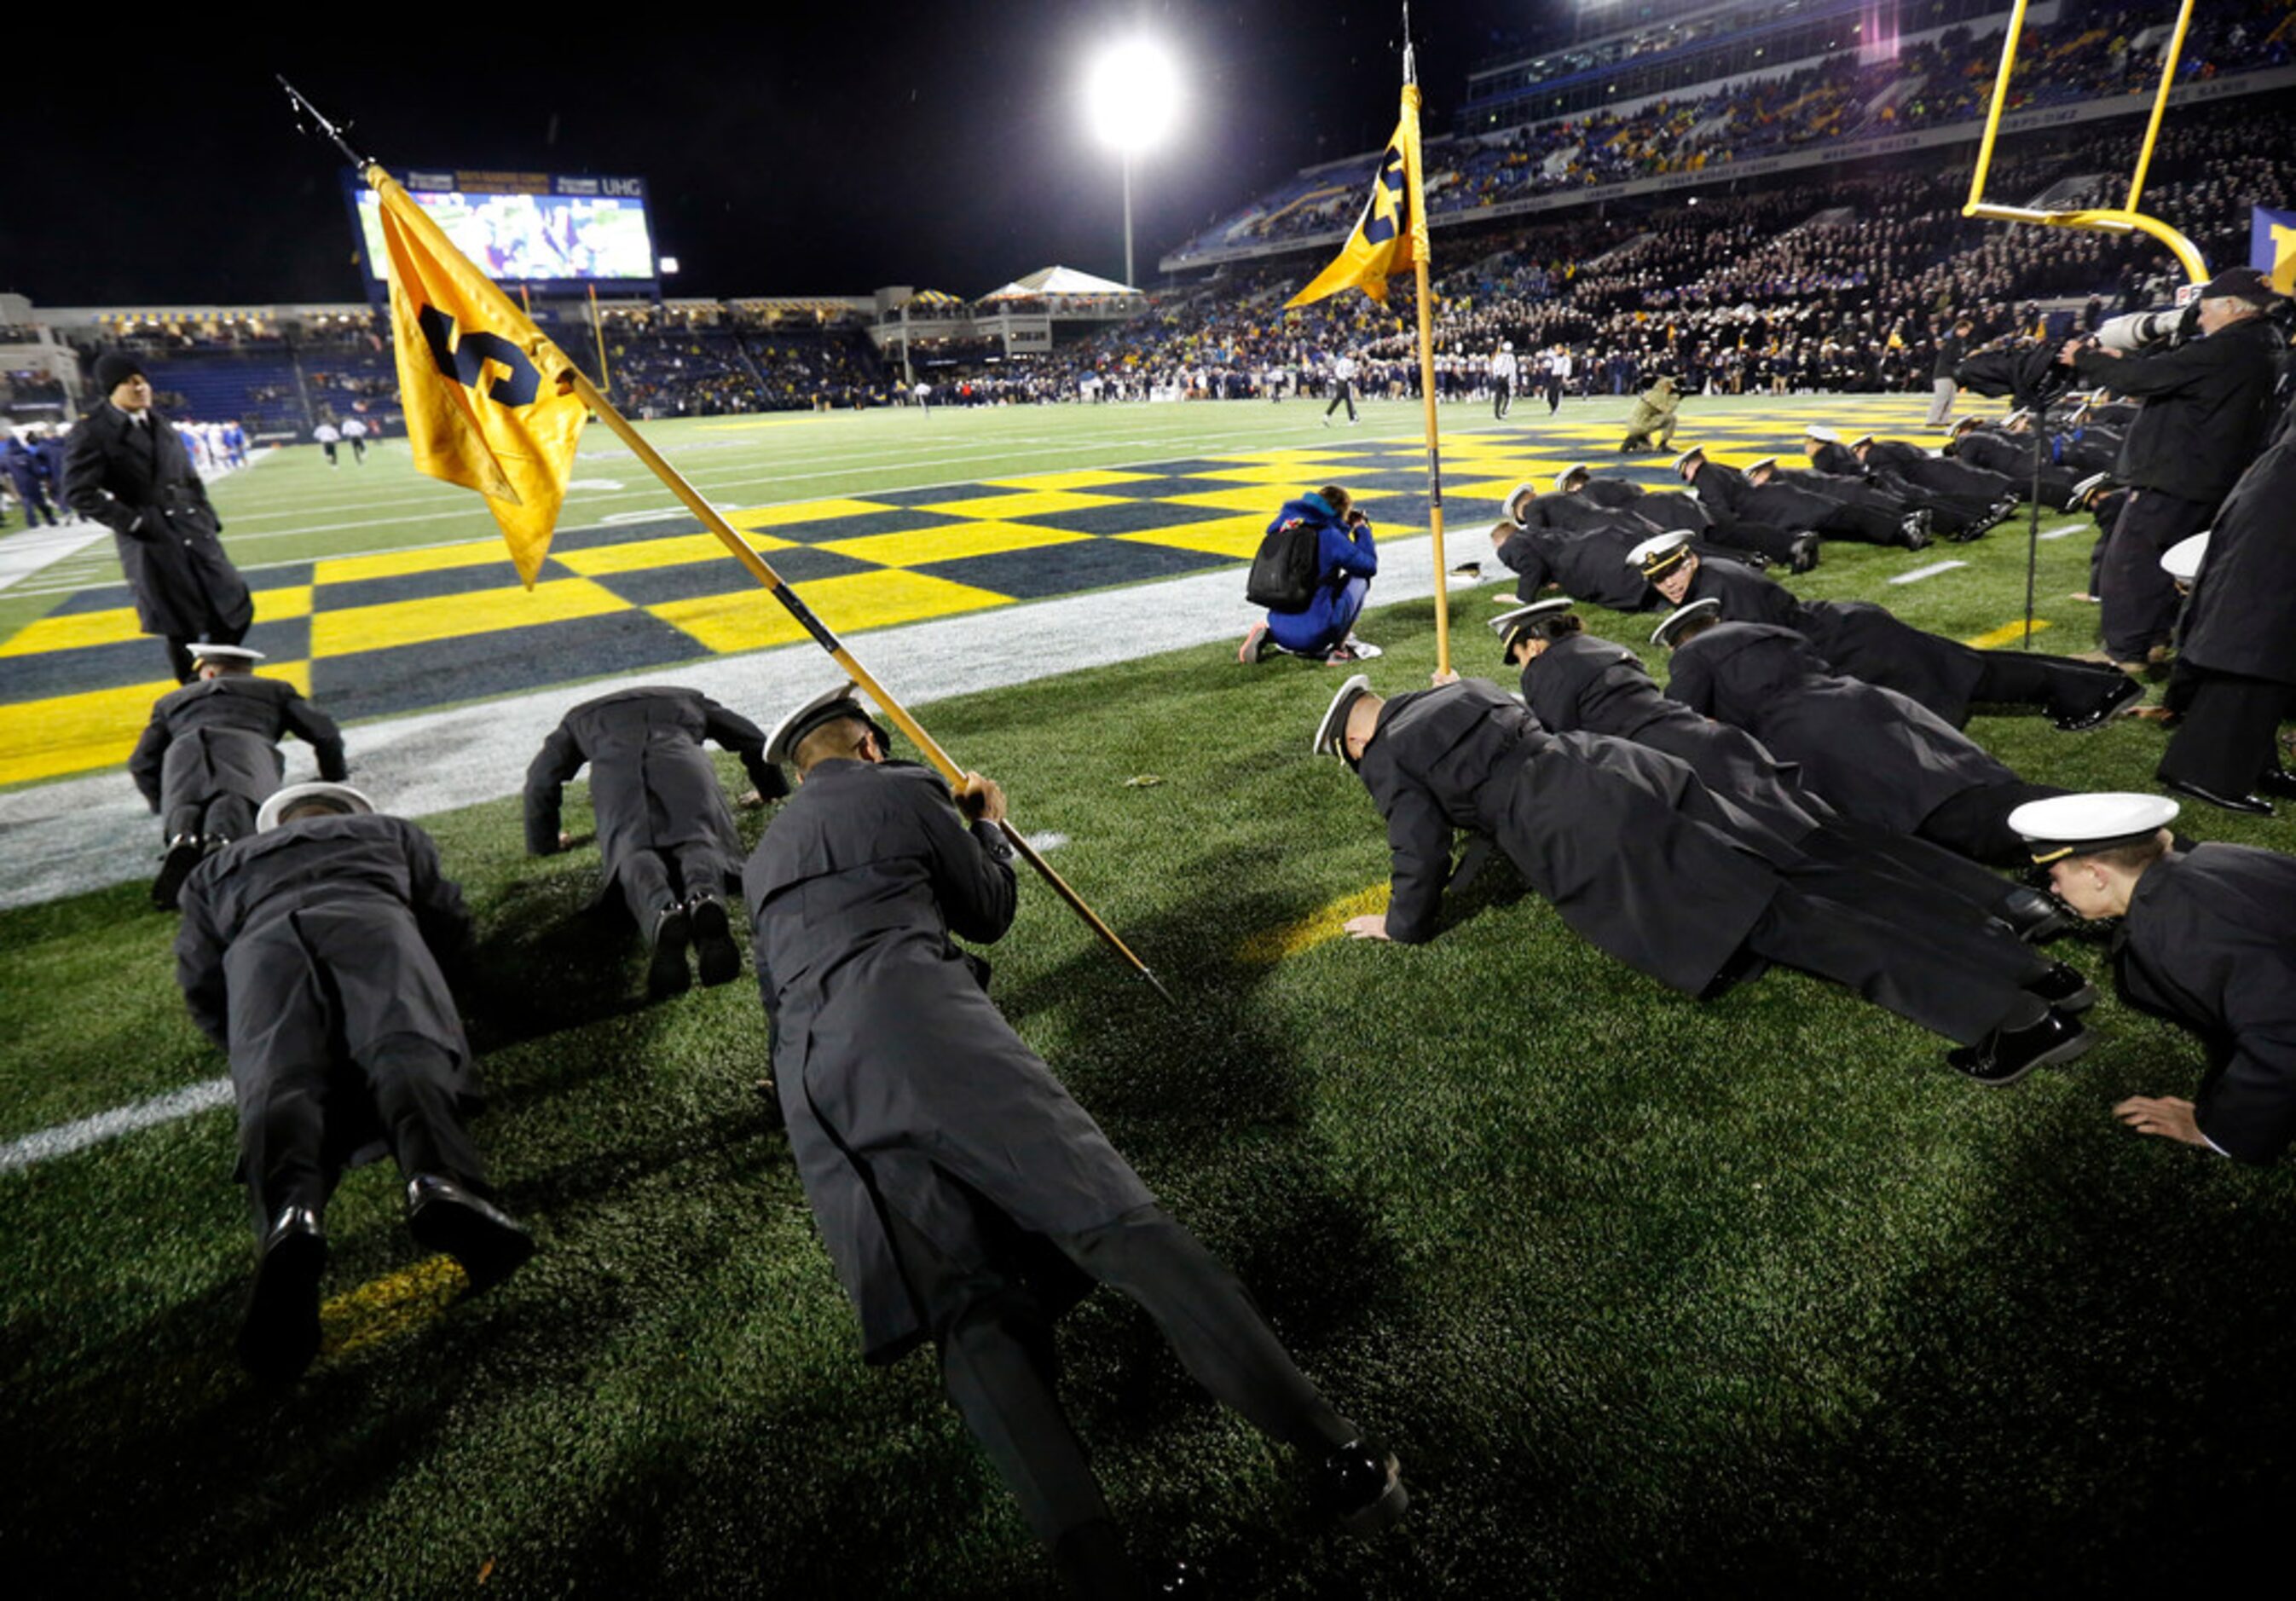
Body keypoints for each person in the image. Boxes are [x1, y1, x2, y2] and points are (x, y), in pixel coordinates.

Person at [743, 686, 1405, 1598]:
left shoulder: (763, 854)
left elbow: (777, 999)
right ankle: (1336, 1457)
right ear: (866, 747)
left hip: (814, 1091)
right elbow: (985, 911)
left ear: (797, 768)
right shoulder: (899, 787)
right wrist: (984, 825)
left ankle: (1101, 1574)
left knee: (971, 1323)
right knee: (1119, 1228)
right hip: (919, 1031)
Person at [1319, 673, 2092, 1084]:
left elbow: (1418, 850)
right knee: (1798, 882)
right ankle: (2032, 968)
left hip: (1582, 821)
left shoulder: (1386, 754)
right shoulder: (1461, 691)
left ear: (1356, 738)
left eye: (1352, 758)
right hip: (1623, 768)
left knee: (1793, 922)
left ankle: (2013, 1020)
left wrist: (1401, 924)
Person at [175, 782, 534, 1381]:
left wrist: (247, 1047)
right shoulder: (388, 831)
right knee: (402, 1049)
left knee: (283, 1087)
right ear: (347, 812)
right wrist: (446, 1000)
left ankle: (291, 1218)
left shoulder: (214, 871)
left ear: (273, 825)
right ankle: (438, 1181)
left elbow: (201, 982)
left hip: (259, 953)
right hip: (371, 924)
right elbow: (446, 918)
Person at [1499, 601, 2067, 941]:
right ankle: (2007, 899)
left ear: (1530, 641)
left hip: (1686, 766)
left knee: (1817, 865)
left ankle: (1973, 925)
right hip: (1723, 747)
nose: (1522, 662)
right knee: (1843, 836)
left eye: (1519, 652)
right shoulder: (1603, 651)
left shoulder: (1547, 670)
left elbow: (1556, 745)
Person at [1655, 601, 2070, 868]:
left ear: (1678, 644)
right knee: (1961, 782)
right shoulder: (1769, 631)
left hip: (1819, 734)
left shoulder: (1693, 654)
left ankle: (2082, 841)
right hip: (1867, 702)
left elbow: (1680, 716)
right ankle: (2084, 818)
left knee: (1943, 813)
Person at [2010, 793, 2296, 1164]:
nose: (2054, 890)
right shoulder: (2214, 857)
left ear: (2097, 875)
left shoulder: (2173, 932)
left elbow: (2286, 1034)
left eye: (2056, 876)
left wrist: (2222, 1131)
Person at [1629, 530, 2138, 731]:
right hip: (1845, 635)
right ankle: (2089, 683)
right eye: (1658, 578)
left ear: (1690, 558)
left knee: (1970, 674)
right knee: (1965, 668)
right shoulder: (1711, 580)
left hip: (1853, 645)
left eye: (1673, 570)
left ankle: (2099, 686)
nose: (1669, 583)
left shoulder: (1724, 587)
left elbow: (1768, 654)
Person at [2062, 266, 2287, 673]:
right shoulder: (2265, 342)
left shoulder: (2227, 347)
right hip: (2213, 473)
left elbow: (2140, 378)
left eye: (2204, 310)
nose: (2200, 319)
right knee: (2169, 566)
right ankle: (2155, 639)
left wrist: (2085, 358)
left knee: (2133, 561)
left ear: (2232, 307)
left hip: (2177, 473)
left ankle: (2126, 652)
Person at [524, 685, 783, 996]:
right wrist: (771, 790)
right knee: (697, 840)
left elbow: (540, 780)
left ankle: (662, 910)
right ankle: (705, 895)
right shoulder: (687, 698)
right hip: (685, 766)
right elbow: (754, 740)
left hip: (618, 780)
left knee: (632, 852)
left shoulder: (579, 718)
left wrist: (545, 842)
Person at [62, 350, 253, 684]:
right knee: (181, 625)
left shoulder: (160, 422)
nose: (141, 387)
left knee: (236, 605)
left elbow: (189, 477)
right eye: (130, 382)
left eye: (143, 380)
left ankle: (215, 674)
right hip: (151, 538)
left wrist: (208, 517)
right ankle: (194, 694)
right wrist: (134, 523)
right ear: (111, 388)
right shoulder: (92, 431)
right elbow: (78, 492)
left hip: (192, 525)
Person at [2153, 390, 2296, 814]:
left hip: (2280, 488)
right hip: (2284, 501)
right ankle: (2200, 768)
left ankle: (2252, 762)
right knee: (2262, 629)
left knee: (2274, 633)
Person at [129, 642, 348, 910]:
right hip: (245, 751)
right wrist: (333, 776)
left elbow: (141, 763)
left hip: (181, 755)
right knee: (234, 802)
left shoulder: (170, 701)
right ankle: (222, 842)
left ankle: (182, 837)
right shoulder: (274, 690)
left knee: (186, 804)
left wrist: (161, 803)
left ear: (208, 673)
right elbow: (325, 734)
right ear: (248, 670)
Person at [1240, 484, 1379, 665]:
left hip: (1279, 628)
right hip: (1316, 637)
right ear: (1340, 512)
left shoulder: (1282, 527)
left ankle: (1269, 633)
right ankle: (1340, 649)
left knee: (1312, 581)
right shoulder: (1329, 536)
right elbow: (1369, 566)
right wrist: (1360, 528)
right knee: (1359, 578)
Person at [1927, 316, 1974, 426]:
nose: (1967, 332)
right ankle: (1933, 419)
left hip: (1951, 374)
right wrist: (1964, 358)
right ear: (1959, 329)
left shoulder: (1959, 342)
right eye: (1965, 329)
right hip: (1944, 373)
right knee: (1942, 397)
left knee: (1950, 398)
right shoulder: (1952, 342)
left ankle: (1944, 419)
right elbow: (1950, 358)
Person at [1618, 374, 1680, 454]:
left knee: (1648, 449)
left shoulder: (1650, 393)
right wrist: (1675, 397)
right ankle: (1663, 445)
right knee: (1672, 419)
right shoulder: (1659, 396)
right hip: (1641, 425)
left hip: (1634, 424)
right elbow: (1668, 411)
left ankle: (1635, 439)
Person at [1322, 350, 1359, 425]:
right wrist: (1349, 377)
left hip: (1342, 381)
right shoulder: (1346, 362)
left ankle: (1327, 415)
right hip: (1344, 381)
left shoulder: (1346, 361)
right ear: (1347, 353)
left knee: (1338, 400)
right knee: (1348, 400)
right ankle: (1352, 418)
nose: (1352, 354)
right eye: (1350, 352)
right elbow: (1343, 372)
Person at [1489, 339, 1516, 420]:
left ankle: (1497, 413)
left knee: (1498, 396)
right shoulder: (1511, 357)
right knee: (1508, 396)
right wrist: (1513, 380)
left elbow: (1495, 367)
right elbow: (1512, 369)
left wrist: (1496, 375)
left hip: (1499, 378)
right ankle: (1504, 412)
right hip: (1507, 378)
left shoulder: (1499, 356)